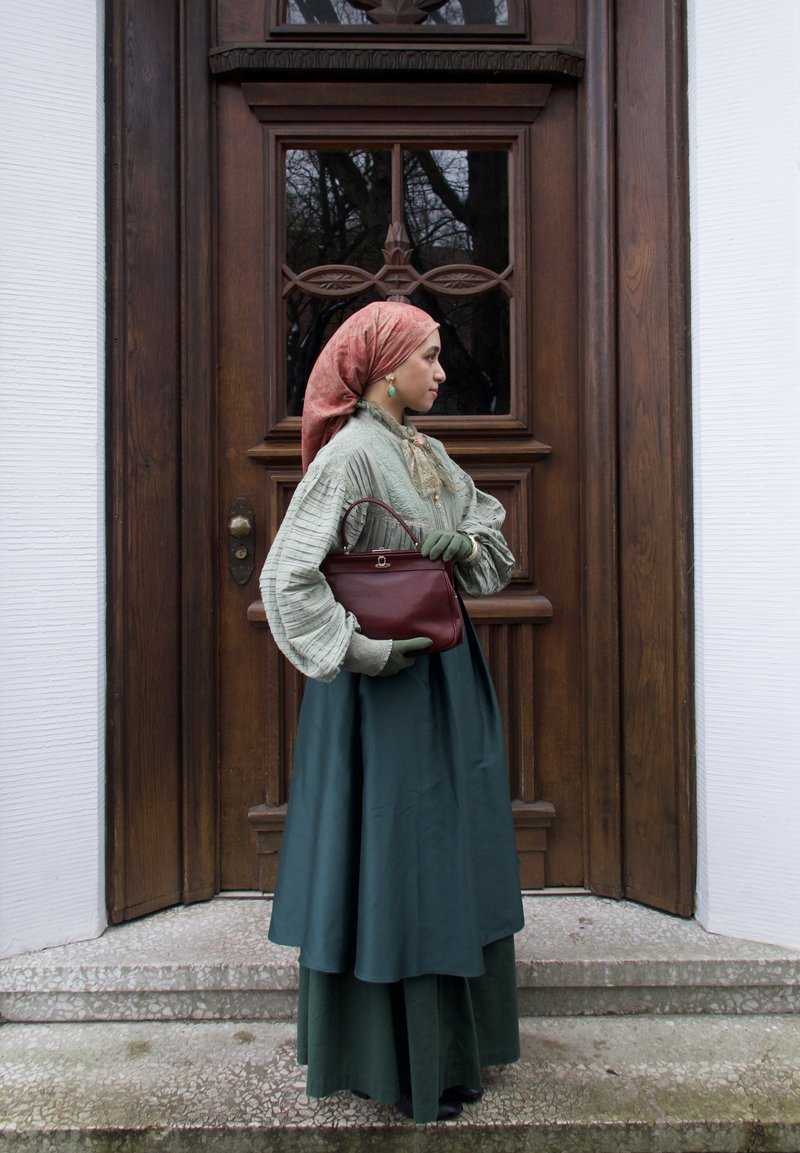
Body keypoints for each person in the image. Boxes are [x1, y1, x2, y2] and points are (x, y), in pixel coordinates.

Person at [260, 300, 524, 1124]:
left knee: (444, 857)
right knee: (390, 860)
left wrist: (466, 548)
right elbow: (286, 576)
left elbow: (493, 545)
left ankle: (446, 1052)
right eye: (431, 357)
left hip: (446, 687)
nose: (443, 373)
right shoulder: (346, 460)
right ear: (385, 368)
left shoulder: (433, 455)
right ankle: (392, 1062)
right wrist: (363, 652)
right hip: (377, 703)